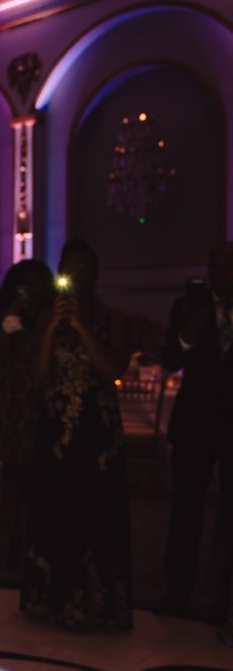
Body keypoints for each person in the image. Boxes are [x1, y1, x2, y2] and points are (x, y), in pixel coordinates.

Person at [22, 238, 133, 630]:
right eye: (70, 268)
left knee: (97, 514)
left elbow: (111, 369)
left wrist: (82, 327)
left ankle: (98, 605)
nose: (76, 275)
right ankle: (52, 603)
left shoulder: (112, 319)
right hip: (56, 430)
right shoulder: (45, 319)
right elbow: (37, 376)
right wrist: (52, 327)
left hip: (97, 432)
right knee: (55, 510)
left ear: (95, 275)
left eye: (83, 268)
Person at [157, 241, 233, 623]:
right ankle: (178, 590)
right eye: (215, 267)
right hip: (195, 425)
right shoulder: (188, 308)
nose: (221, 275)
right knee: (186, 511)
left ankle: (226, 596)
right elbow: (171, 358)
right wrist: (191, 330)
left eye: (229, 268)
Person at [0, 260, 55, 570]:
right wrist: (11, 315)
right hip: (14, 405)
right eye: (26, 284)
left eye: (38, 284)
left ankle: (40, 539)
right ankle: (15, 540)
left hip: (43, 403)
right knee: (12, 475)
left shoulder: (52, 318)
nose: (32, 290)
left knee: (41, 477)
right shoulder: (10, 318)